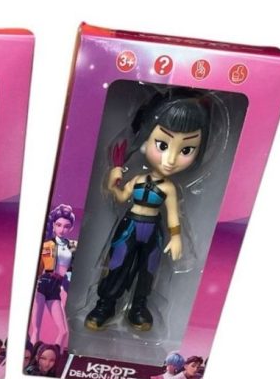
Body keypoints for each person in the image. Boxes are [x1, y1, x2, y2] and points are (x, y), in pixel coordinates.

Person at [85, 92, 212, 332]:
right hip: (130, 226)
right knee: (118, 265)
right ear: (145, 139)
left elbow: (173, 215)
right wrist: (112, 182)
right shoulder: (137, 180)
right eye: (162, 145)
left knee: (148, 270)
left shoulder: (169, 189)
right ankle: (105, 305)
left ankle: (138, 308)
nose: (170, 159)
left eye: (186, 149)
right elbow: (121, 197)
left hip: (153, 231)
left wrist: (176, 237)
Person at [30, 204, 76, 349]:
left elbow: (71, 270)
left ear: (71, 228)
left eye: (66, 226)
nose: (62, 229)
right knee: (35, 329)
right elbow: (39, 267)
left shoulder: (72, 246)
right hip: (42, 284)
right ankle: (32, 355)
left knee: (63, 331)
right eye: (59, 225)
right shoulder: (46, 245)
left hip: (56, 287)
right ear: (54, 225)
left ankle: (54, 355)